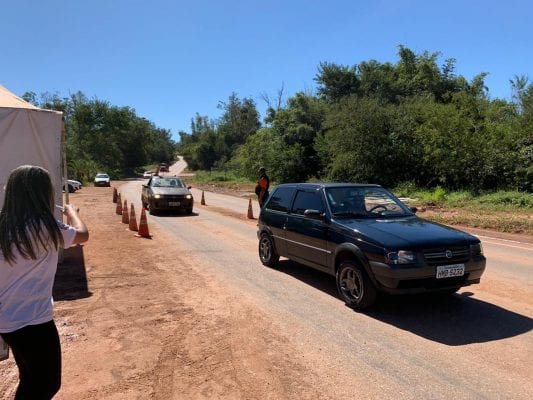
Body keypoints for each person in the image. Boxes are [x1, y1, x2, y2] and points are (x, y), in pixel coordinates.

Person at [0, 165, 89, 399]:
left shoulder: (3, 225)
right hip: (34, 322)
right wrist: (72, 212)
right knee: (47, 384)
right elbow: (83, 235)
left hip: (8, 321)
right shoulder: (45, 227)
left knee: (30, 377)